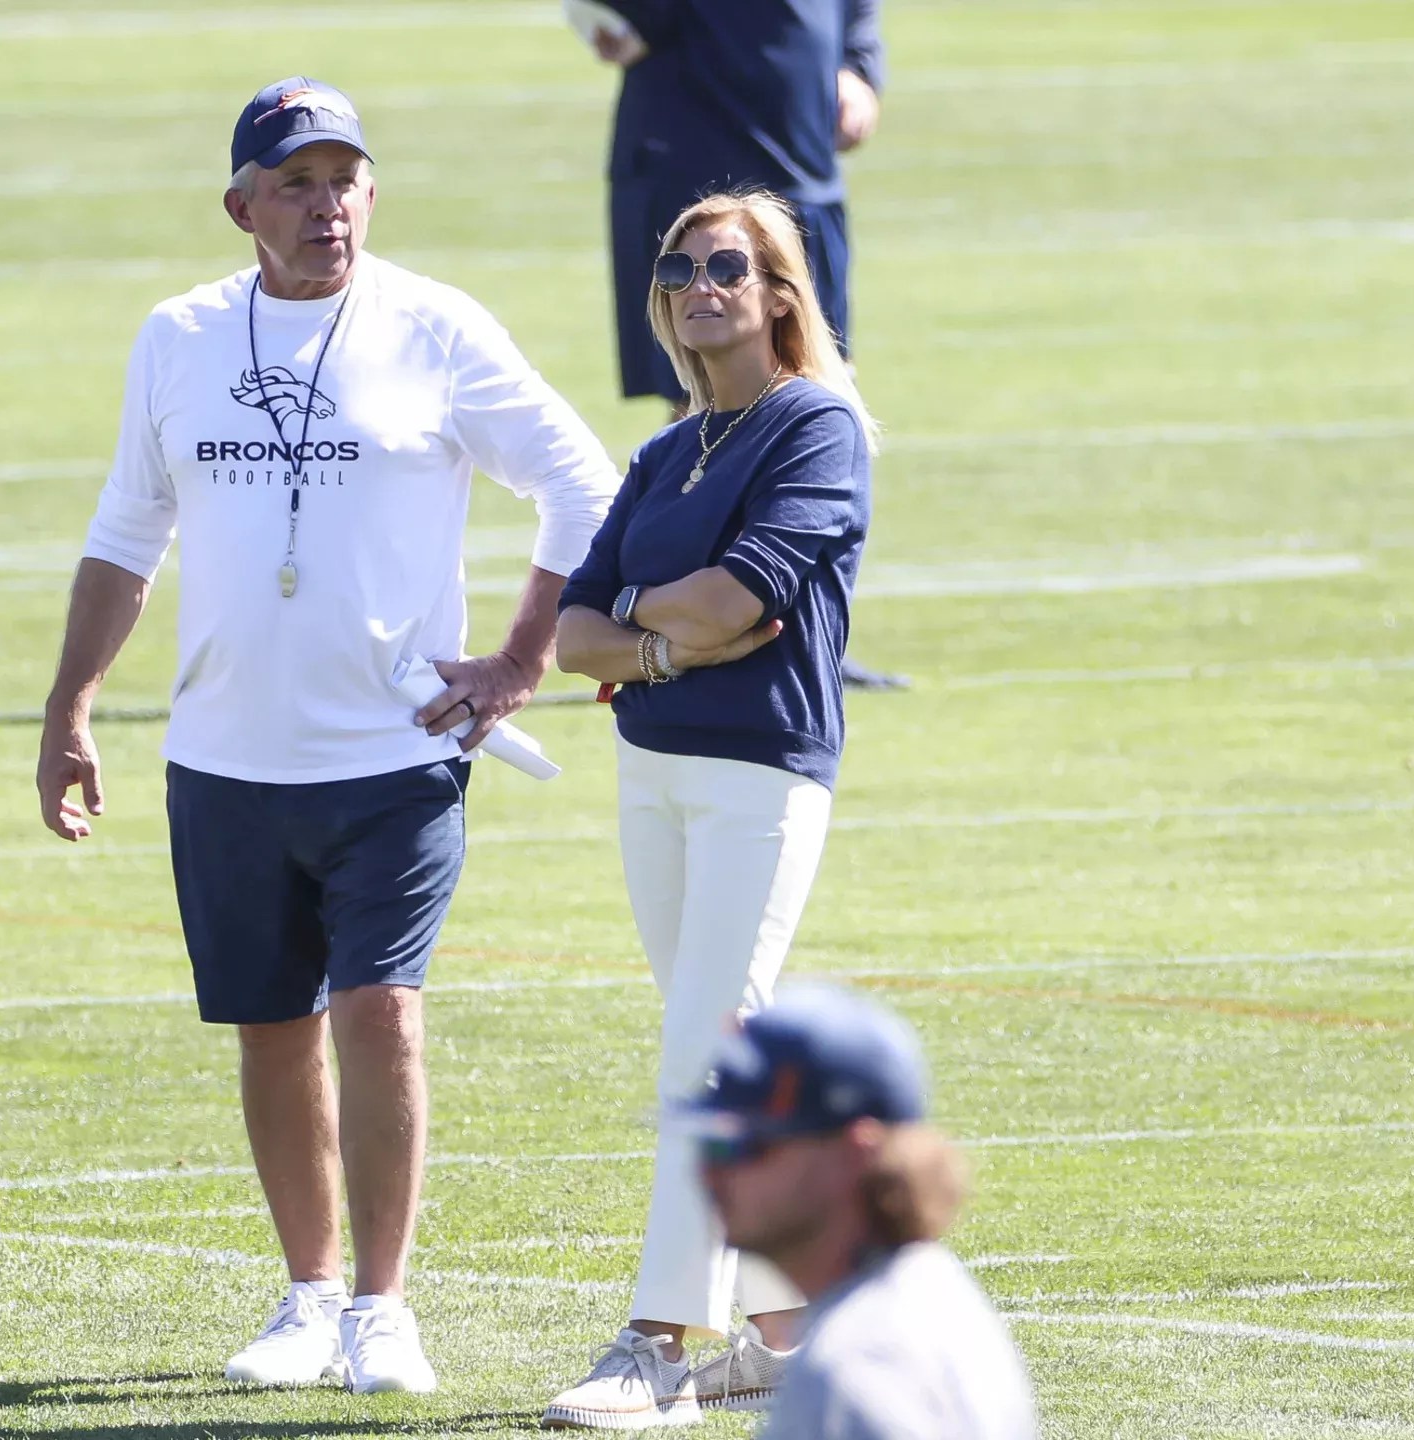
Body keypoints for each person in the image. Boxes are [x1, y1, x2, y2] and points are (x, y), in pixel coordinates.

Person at [35, 77, 619, 1396]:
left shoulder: (437, 327)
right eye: (295, 184)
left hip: (396, 754)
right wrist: (71, 703)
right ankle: (306, 1295)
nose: (325, 206)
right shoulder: (179, 336)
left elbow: (583, 482)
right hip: (226, 758)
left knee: (380, 1011)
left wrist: (523, 659)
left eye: (345, 179)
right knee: (269, 1027)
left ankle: (382, 1307)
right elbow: (130, 531)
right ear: (241, 206)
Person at [542, 188, 876, 1429]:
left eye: (725, 265)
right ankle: (795, 1335)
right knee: (726, 1052)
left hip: (758, 775)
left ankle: (658, 1346)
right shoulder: (664, 450)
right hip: (656, 770)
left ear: (780, 290)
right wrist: (659, 646)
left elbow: (740, 600)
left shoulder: (816, 427)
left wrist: (654, 628)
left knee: (703, 1049)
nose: (697, 286)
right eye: (676, 269)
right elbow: (578, 634)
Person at [566, 0, 907, 693]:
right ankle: (660, 615)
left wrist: (859, 67)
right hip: (696, 158)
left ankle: (801, 625)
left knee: (817, 384)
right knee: (701, 400)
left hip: (802, 164)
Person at [687, 985, 1041, 1440]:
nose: (711, 1171)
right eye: (707, 1143)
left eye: (746, 1144)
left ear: (856, 1154)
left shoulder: (860, 1369)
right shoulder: (910, 1295)